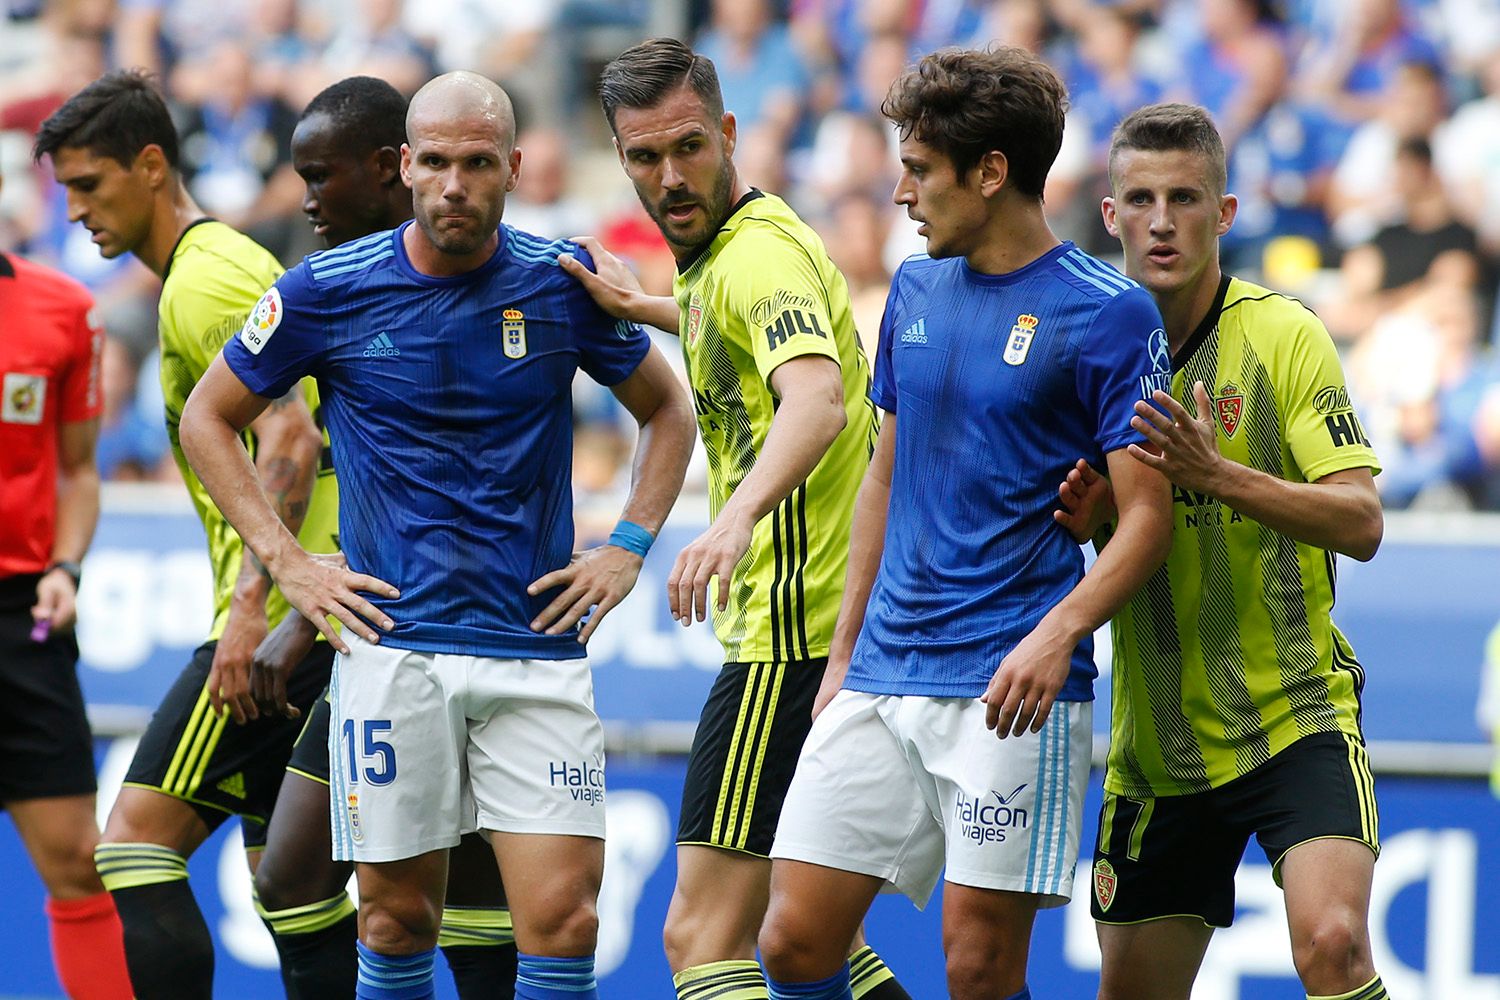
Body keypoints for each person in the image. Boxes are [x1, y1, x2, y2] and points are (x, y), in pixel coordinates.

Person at [178, 71, 696, 1000]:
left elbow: (668, 412)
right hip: (393, 652)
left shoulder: (561, 283)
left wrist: (627, 544)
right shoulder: (323, 290)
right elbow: (208, 418)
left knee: (566, 923)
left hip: (532, 651)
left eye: (479, 163)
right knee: (395, 919)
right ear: (407, 166)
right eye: (440, 163)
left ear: (515, 170)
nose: (457, 184)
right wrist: (287, 563)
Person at [755, 47, 1175, 1000]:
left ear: (991, 173)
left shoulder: (1109, 314)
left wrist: (1057, 635)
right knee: (790, 945)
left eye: (918, 169)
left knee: (979, 971)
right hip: (882, 671)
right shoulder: (915, 287)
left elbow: (1146, 521)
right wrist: (844, 651)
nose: (900, 192)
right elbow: (883, 477)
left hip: (1009, 685)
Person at [566, 37, 909, 1000]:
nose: (669, 178)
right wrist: (637, 304)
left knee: (699, 938)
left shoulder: (757, 258)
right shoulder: (725, 254)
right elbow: (735, 329)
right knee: (802, 933)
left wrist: (731, 519)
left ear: (726, 131)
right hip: (831, 622)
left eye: (687, 148)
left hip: (789, 638)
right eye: (643, 158)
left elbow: (817, 400)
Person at [1056, 102, 1388, 1000]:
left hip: (1295, 719)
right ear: (1111, 214)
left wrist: (1218, 471)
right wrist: (1088, 521)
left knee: (1334, 945)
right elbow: (1097, 533)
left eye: (1186, 198)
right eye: (1143, 199)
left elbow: (1361, 522)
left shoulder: (1283, 336)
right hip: (1159, 752)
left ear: (1225, 213)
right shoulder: (1084, 345)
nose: (1163, 221)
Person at [34, 70, 338, 999]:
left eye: (90, 184)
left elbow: (292, 432)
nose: (77, 210)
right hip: (319, 605)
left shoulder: (202, 284)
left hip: (282, 614)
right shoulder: (224, 268)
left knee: (131, 849)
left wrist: (250, 614)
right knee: (296, 895)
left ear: (152, 164)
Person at [248, 76, 519, 999]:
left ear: (385, 168)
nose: (307, 199)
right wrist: (295, 583)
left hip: (462, 626)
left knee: (456, 897)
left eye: (321, 176)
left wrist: (281, 602)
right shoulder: (328, 293)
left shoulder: (511, 278)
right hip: (374, 624)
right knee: (313, 882)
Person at [0, 166, 133, 1000]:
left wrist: (66, 566)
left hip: (23, 622)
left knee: (80, 863)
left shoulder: (63, 310)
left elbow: (79, 471)